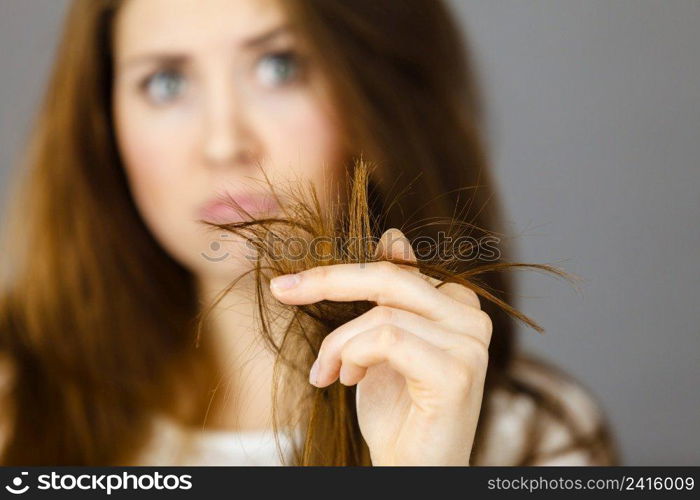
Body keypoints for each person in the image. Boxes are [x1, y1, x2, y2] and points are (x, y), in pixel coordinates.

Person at [0, 0, 619, 465]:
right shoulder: (12, 407)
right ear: (104, 129)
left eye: (280, 66)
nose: (223, 142)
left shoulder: (532, 440)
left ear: (372, 96)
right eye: (165, 82)